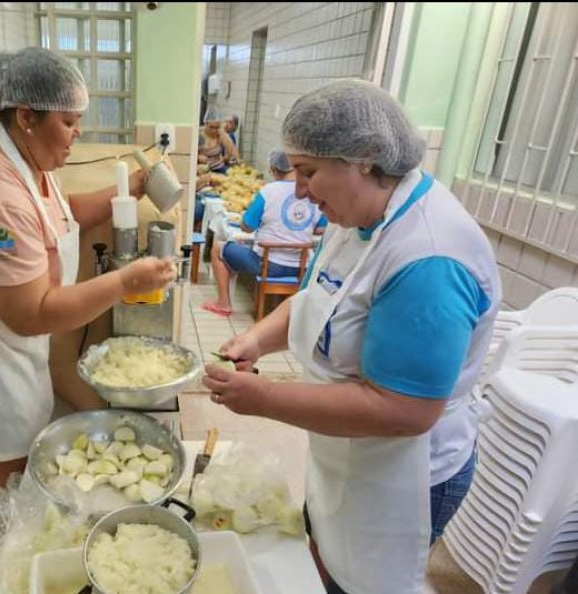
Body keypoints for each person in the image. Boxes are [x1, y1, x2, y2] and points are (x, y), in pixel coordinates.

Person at [202, 80, 501, 594]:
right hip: (350, 447)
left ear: (365, 159)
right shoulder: (357, 213)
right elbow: (317, 296)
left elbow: (405, 411)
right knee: (323, 554)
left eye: (308, 172)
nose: (299, 190)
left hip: (406, 470)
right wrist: (256, 339)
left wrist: (265, 398)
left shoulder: (428, 259)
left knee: (369, 581)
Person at [0, 47, 175, 546]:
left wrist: (131, 189)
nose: (77, 135)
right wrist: (124, 283)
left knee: (20, 438)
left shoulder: (24, 155)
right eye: (70, 123)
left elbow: (60, 211)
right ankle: (3, 543)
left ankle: (11, 525)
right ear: (26, 116)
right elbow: (31, 314)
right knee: (3, 455)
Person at [201, 149, 326, 317]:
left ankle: (224, 303)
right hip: (302, 266)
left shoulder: (268, 191)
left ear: (274, 170)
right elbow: (320, 228)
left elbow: (247, 226)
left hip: (267, 264)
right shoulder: (312, 191)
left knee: (218, 249)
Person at [197, 107, 239, 174]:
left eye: (216, 127)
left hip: (219, 168)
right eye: (211, 127)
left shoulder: (220, 134)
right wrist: (198, 157)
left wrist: (226, 158)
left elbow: (232, 150)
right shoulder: (198, 134)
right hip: (202, 169)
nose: (214, 130)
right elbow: (189, 152)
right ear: (205, 124)